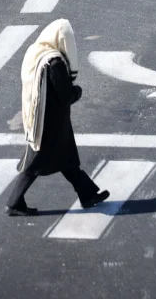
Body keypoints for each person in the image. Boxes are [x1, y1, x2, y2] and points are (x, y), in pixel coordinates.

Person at [6, 18, 110, 216]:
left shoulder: (37, 52)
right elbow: (65, 94)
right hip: (51, 122)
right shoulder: (55, 63)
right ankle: (14, 202)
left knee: (67, 159)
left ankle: (88, 194)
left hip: (41, 117)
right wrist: (77, 91)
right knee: (35, 163)